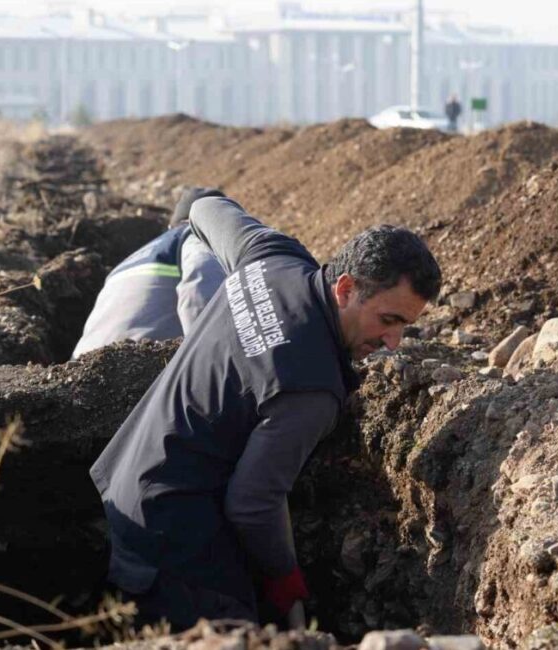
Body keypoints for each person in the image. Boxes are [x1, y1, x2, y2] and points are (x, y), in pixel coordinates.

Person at [89, 195, 442, 631]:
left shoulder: (272, 257)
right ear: (346, 288)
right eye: (388, 320)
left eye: (405, 325)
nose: (394, 342)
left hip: (128, 479)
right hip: (171, 533)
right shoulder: (310, 389)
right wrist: (284, 577)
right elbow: (253, 502)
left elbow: (203, 208)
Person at [71, 187, 227, 359]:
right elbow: (201, 291)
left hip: (80, 366)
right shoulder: (197, 235)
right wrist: (217, 358)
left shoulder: (127, 262)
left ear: (170, 225)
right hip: (137, 365)